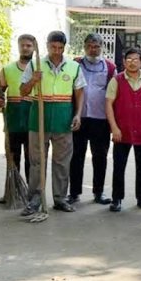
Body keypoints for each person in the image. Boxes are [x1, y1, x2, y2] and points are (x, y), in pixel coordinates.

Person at [20, 31, 86, 215]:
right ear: (47, 45)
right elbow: (23, 91)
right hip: (38, 120)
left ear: (65, 47)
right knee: (36, 162)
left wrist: (78, 114)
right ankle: (35, 199)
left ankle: (60, 198)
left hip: (63, 120)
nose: (56, 51)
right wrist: (33, 80)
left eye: (60, 48)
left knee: (62, 162)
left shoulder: (74, 67)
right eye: (53, 47)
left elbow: (80, 92)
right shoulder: (35, 64)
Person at [106, 48, 141, 212]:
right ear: (124, 61)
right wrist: (114, 127)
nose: (132, 62)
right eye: (129, 59)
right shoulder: (116, 80)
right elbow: (108, 104)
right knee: (119, 166)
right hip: (122, 131)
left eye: (136, 59)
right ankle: (117, 198)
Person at [67, 34, 116, 206]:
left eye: (96, 46)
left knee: (100, 157)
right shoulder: (75, 64)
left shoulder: (110, 67)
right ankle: (74, 193)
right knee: (76, 157)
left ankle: (98, 192)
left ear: (102, 47)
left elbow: (114, 95)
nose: (92, 49)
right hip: (79, 118)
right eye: (89, 46)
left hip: (101, 120)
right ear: (84, 47)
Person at [0, 34, 35, 184]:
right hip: (13, 119)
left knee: (31, 158)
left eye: (28, 46)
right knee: (13, 157)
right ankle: (14, 188)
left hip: (32, 119)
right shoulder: (7, 69)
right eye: (22, 45)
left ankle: (31, 192)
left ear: (34, 48)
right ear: (18, 46)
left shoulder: (39, 69)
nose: (25, 48)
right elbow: (0, 90)